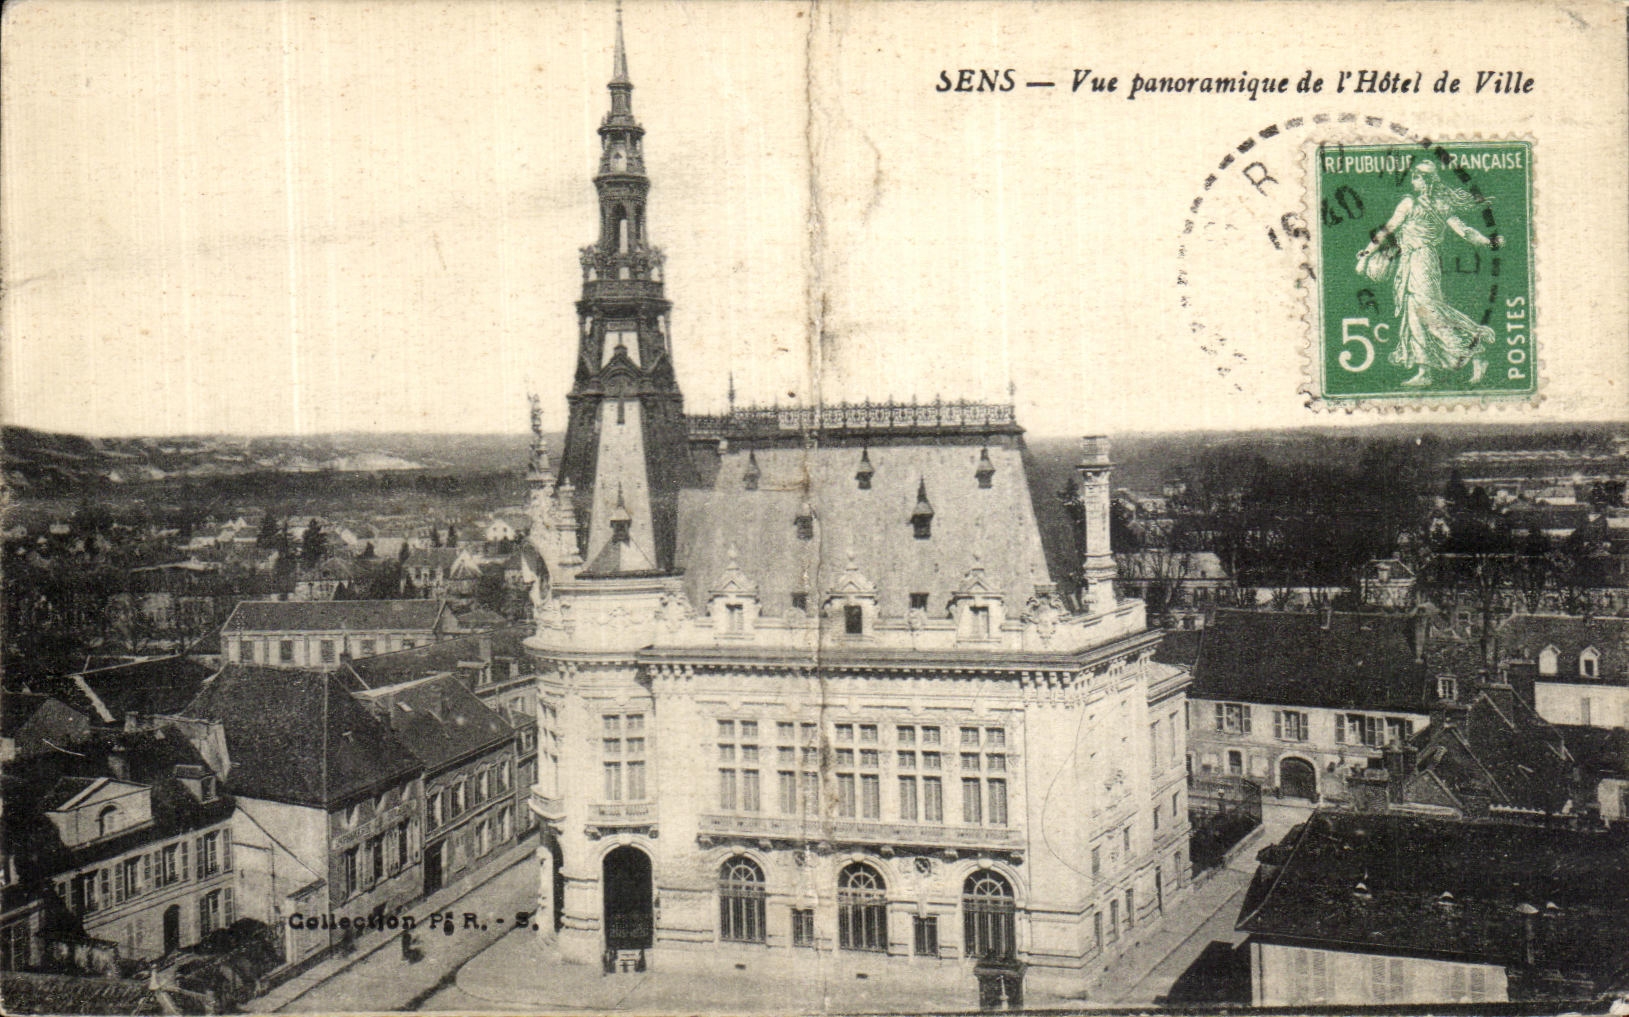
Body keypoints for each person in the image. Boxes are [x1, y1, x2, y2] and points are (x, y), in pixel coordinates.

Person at [1356, 160, 1498, 387]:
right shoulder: (1421, 203)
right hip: (1412, 261)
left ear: (1428, 181)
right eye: (1413, 177)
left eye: (1417, 177)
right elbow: (1388, 230)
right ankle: (1425, 371)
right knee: (1414, 314)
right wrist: (1367, 253)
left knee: (1429, 313)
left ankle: (1475, 351)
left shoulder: (1422, 204)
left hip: (1422, 261)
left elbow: (1464, 232)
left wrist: (1489, 242)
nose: (1413, 181)